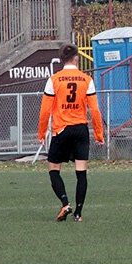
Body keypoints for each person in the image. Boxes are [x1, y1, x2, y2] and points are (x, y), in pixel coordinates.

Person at [38, 43, 105, 222]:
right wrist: (99, 134)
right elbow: (95, 110)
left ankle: (65, 202)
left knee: (53, 169)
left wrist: (41, 133)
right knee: (81, 172)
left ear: (61, 60)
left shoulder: (54, 80)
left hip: (61, 129)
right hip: (81, 129)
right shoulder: (86, 79)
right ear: (76, 58)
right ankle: (78, 213)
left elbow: (45, 110)